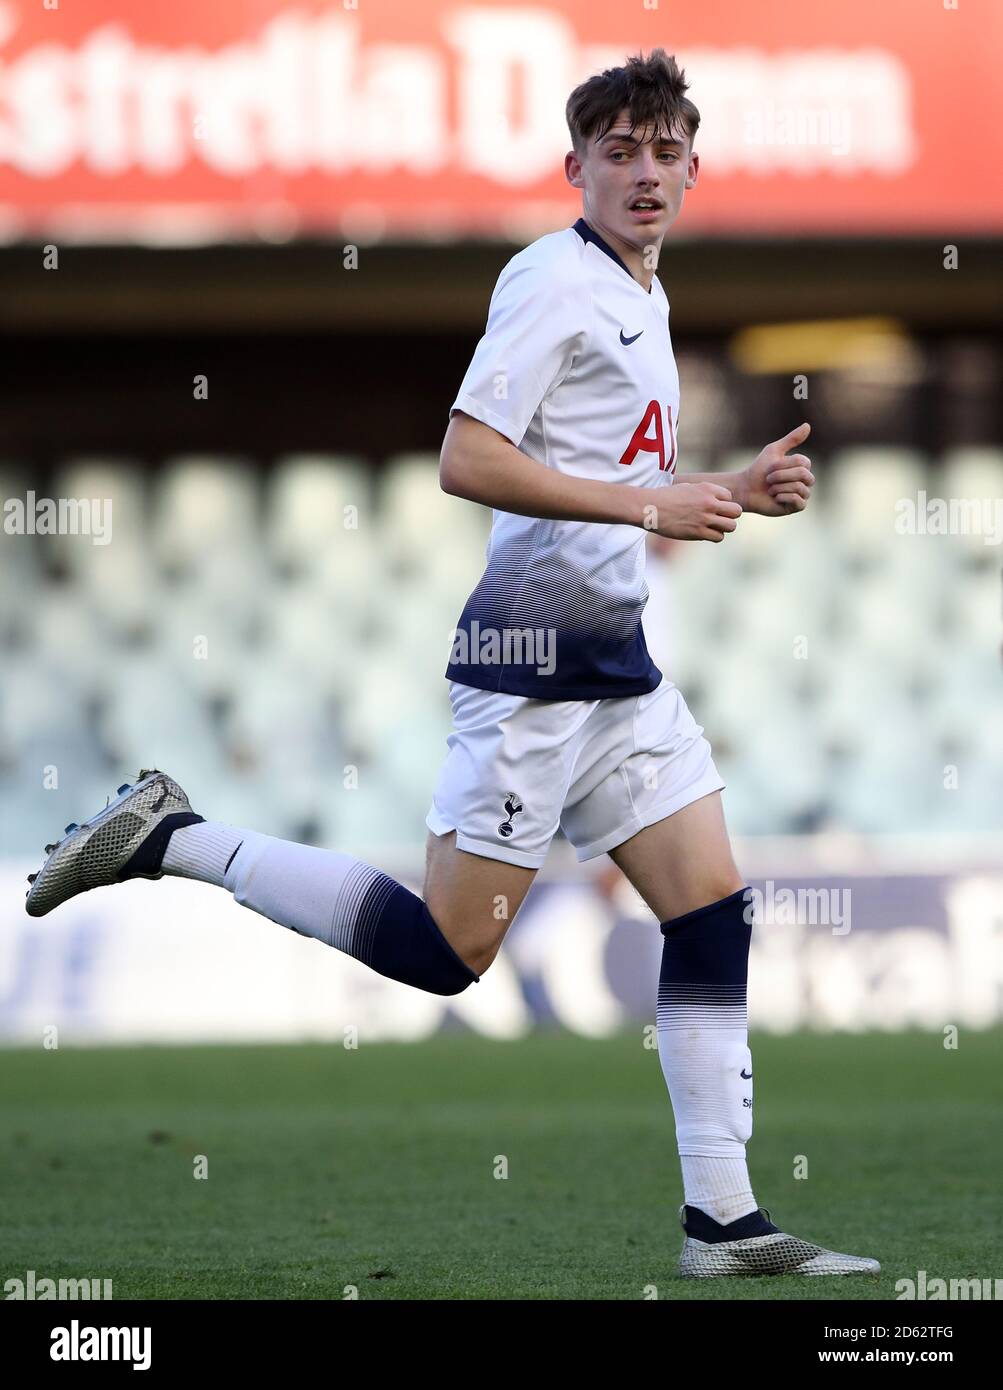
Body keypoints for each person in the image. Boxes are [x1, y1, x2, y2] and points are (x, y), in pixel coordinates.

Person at [25, 49, 877, 1279]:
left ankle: (723, 1223)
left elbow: (616, 468)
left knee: (710, 913)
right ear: (572, 167)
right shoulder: (550, 280)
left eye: (664, 149)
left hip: (617, 666)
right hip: (532, 660)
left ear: (693, 163)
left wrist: (727, 491)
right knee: (446, 952)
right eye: (619, 152)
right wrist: (651, 512)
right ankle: (174, 836)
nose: (645, 173)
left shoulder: (645, 290)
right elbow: (465, 456)